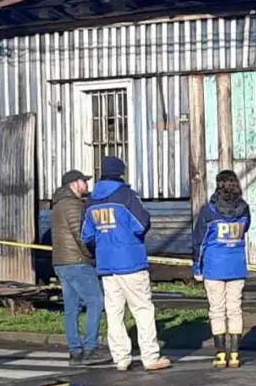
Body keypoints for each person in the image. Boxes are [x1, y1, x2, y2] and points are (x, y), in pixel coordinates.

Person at [81, 156, 172, 372]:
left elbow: (86, 235)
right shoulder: (127, 196)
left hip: (106, 264)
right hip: (131, 261)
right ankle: (150, 356)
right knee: (142, 309)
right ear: (121, 172)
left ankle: (121, 358)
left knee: (114, 312)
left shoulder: (91, 201)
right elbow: (142, 224)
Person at [192, 170, 251, 369]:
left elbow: (199, 242)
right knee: (235, 310)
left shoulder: (209, 211)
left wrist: (197, 268)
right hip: (237, 266)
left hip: (214, 266)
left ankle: (220, 354)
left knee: (216, 311)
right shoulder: (244, 209)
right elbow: (246, 230)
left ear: (218, 185)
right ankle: (234, 354)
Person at [51, 170, 110, 367]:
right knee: (96, 301)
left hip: (62, 261)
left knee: (71, 308)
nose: (86, 185)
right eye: (84, 181)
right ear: (74, 184)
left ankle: (75, 351)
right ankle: (90, 348)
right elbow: (80, 233)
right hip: (77, 261)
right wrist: (92, 254)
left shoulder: (59, 204)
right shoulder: (73, 204)